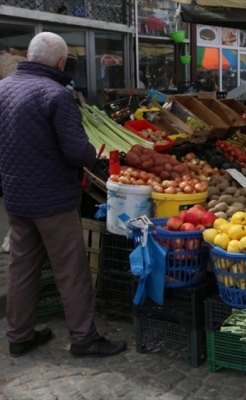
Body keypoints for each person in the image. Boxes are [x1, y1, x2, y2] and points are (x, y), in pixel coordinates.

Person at [0, 32, 127, 357]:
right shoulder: (56, 95)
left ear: (28, 56)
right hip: (53, 200)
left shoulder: (3, 89)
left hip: (16, 197)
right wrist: (91, 154)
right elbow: (76, 152)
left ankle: (18, 335)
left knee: (21, 267)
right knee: (71, 269)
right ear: (60, 62)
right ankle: (84, 338)